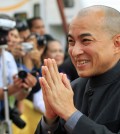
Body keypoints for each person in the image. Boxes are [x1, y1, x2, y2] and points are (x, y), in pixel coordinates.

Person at [35, 5, 120, 134]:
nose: (75, 52)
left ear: (116, 44)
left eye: (86, 40)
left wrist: (71, 114)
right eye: (71, 41)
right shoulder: (73, 89)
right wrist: (50, 120)